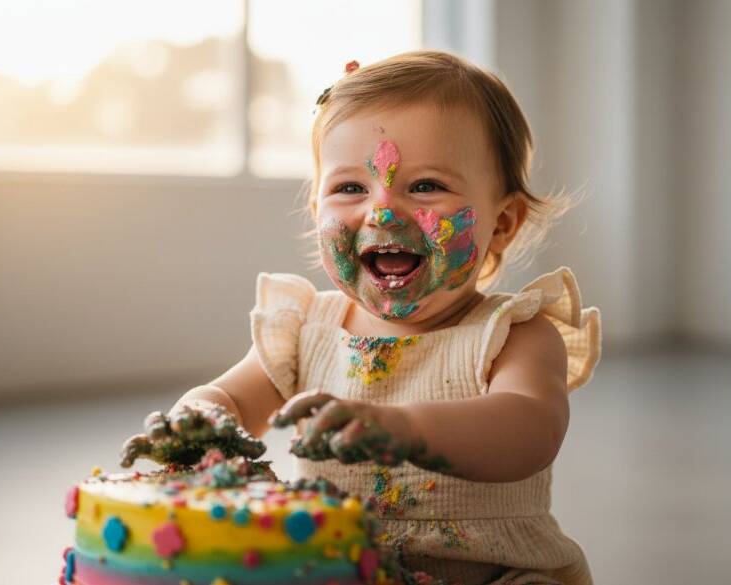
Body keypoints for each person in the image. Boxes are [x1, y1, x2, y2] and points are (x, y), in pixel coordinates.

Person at [169, 50, 602, 585]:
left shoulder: (512, 334)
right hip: (339, 569)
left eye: (425, 186)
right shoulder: (307, 331)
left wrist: (405, 428)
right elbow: (232, 399)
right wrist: (199, 421)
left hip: (493, 574)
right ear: (315, 214)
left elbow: (530, 431)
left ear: (502, 222)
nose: (381, 211)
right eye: (350, 188)